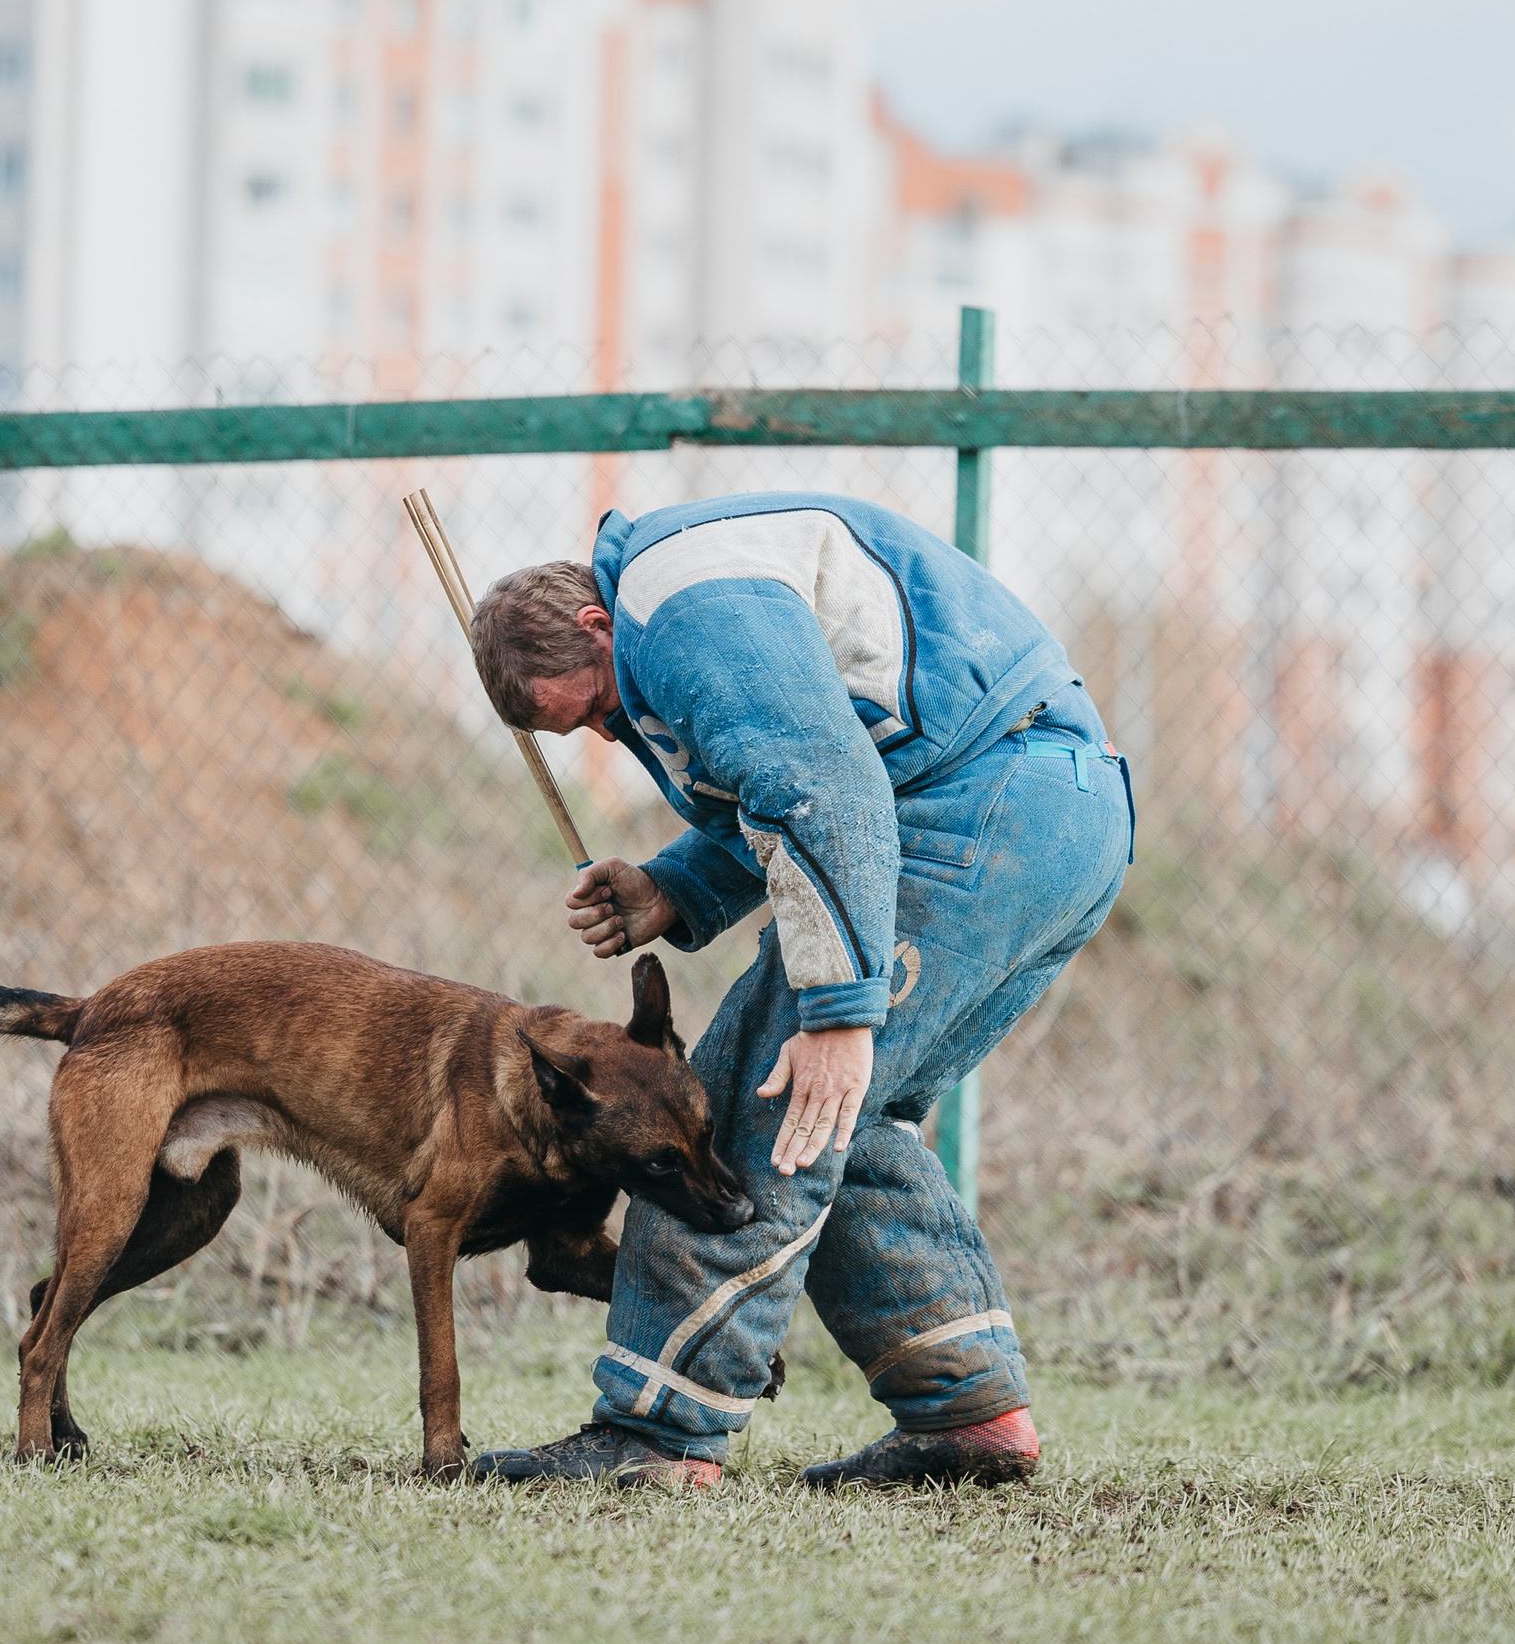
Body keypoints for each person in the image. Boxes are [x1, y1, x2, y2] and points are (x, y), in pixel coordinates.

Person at [464, 491, 1133, 1489]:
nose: (609, 736)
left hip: (980, 810)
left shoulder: (679, 600)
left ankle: (657, 1434)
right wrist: (671, 888)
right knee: (836, 1114)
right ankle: (967, 1418)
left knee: (747, 1098)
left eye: (598, 709)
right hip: (1053, 813)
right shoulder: (682, 595)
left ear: (598, 626)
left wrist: (836, 1009)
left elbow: (823, 788)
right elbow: (790, 779)